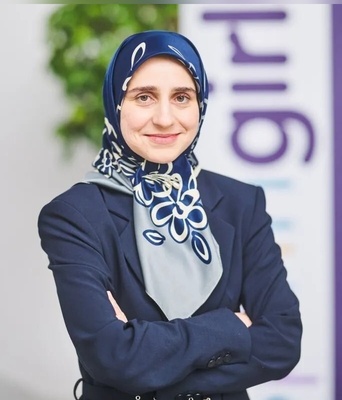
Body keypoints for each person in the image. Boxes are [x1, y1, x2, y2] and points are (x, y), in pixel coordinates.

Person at [38, 30, 302, 400]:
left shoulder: (241, 203)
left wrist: (144, 364)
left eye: (181, 97)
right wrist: (232, 328)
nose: (165, 119)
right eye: (143, 97)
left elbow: (283, 342)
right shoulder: (74, 215)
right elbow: (112, 357)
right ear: (115, 102)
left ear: (200, 104)